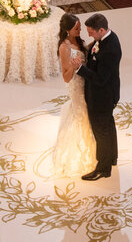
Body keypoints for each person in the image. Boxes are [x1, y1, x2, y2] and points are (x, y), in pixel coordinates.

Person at [73, 13, 122, 180]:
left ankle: (103, 168)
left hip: (103, 97)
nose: (89, 35)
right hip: (103, 93)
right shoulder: (106, 38)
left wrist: (81, 69)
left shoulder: (111, 49)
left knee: (101, 131)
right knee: (108, 127)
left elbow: (101, 79)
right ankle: (111, 158)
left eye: (91, 32)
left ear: (101, 30)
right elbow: (95, 54)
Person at [52, 13, 94, 177]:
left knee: (86, 113)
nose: (80, 29)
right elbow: (66, 76)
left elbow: (83, 53)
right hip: (76, 85)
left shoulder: (77, 40)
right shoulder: (65, 47)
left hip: (86, 81)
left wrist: (93, 44)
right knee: (80, 114)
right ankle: (79, 153)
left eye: (80, 27)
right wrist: (73, 65)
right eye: (77, 28)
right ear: (68, 30)